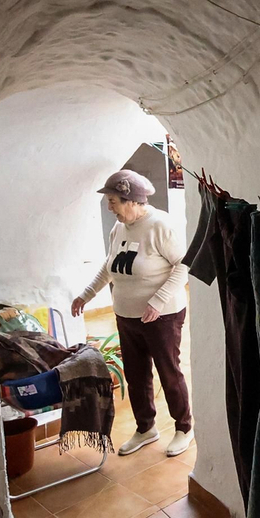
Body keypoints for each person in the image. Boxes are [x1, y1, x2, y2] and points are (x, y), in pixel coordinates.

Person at [71, 169, 194, 456]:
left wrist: (158, 301)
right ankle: (146, 428)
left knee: (168, 372)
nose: (109, 206)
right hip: (126, 315)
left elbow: (183, 265)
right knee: (136, 375)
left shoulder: (160, 225)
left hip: (161, 316)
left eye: (113, 200)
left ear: (132, 200)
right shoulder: (119, 228)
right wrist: (86, 294)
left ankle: (184, 427)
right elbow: (110, 264)